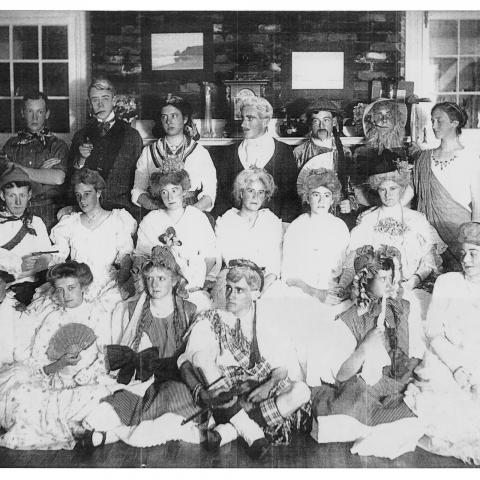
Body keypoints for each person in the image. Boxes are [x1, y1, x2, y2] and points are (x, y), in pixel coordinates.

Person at [177, 259, 311, 459]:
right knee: (202, 357)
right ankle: (252, 434)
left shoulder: (269, 319)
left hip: (260, 389)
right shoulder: (212, 318)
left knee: (302, 391)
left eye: (239, 290)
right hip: (225, 390)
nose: (230, 296)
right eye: (229, 289)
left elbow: (282, 366)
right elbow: (186, 361)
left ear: (255, 294)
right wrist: (205, 393)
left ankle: (229, 431)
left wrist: (268, 385)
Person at [78, 246, 201, 449]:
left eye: (161, 278)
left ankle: (109, 436)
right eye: (150, 279)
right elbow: (123, 347)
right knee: (121, 402)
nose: (154, 284)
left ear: (174, 280)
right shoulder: (132, 309)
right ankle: (107, 430)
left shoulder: (189, 310)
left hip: (176, 375)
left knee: (172, 400)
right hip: (144, 376)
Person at [310, 245, 425, 459]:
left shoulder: (403, 308)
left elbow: (415, 352)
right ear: (366, 281)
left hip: (397, 383)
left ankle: (383, 427)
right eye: (382, 278)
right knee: (352, 411)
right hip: (363, 387)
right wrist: (365, 347)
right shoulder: (350, 319)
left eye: (391, 277)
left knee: (416, 416)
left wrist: (410, 379)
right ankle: (371, 428)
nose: (390, 284)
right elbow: (341, 375)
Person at [0, 262, 115, 450]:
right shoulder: (52, 318)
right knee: (24, 397)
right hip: (57, 383)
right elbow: (37, 360)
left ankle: (81, 426)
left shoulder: (98, 314)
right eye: (60, 290)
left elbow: (106, 356)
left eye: (71, 288)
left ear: (84, 287)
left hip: (90, 380)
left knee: (102, 396)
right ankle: (76, 428)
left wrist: (84, 376)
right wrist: (58, 364)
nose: (65, 295)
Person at [404, 222, 480, 465]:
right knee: (449, 411)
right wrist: (457, 367)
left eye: (474, 254)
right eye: (463, 253)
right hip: (446, 356)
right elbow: (434, 332)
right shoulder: (448, 282)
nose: (466, 260)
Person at [340, 158, 447, 318]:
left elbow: (428, 261)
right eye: (382, 189)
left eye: (393, 188)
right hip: (374, 290)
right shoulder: (367, 219)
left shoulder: (417, 219)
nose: (388, 194)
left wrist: (413, 282)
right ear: (377, 189)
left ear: (402, 188)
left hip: (412, 286)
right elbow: (354, 257)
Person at [50, 169, 137, 306]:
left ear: (98, 192)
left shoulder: (117, 219)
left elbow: (126, 255)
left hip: (107, 283)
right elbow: (58, 255)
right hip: (75, 282)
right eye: (78, 195)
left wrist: (123, 280)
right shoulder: (70, 222)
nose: (82, 200)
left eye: (87, 194)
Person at [135, 170, 218, 310]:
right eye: (164, 192)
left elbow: (210, 257)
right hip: (160, 288)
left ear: (184, 191)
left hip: (193, 286)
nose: (170, 197)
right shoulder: (150, 220)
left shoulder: (198, 217)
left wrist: (193, 281)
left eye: (175, 190)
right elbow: (142, 257)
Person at [413, 102, 480, 271]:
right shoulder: (424, 158)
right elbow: (409, 193)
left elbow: (477, 202)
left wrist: (473, 239)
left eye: (439, 120)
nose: (434, 125)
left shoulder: (470, 158)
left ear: (454, 123)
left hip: (460, 233)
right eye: (432, 120)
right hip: (429, 234)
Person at [213, 96, 300, 222]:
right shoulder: (228, 153)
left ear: (266, 121)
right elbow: (221, 197)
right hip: (235, 225)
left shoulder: (284, 152)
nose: (243, 124)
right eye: (242, 118)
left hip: (272, 226)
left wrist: (285, 225)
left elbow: (291, 198)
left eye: (250, 118)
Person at [67, 77, 143, 218]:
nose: (100, 104)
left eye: (105, 98)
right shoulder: (81, 135)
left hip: (122, 209)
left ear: (114, 100)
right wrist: (81, 160)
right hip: (86, 209)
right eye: (95, 100)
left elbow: (139, 181)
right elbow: (70, 180)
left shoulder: (132, 136)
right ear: (90, 103)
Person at [131, 95, 216, 214]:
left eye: (174, 116)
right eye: (164, 117)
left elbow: (210, 192)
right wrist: (158, 210)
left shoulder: (200, 152)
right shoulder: (148, 152)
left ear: (185, 119)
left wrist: (190, 213)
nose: (168, 121)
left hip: (191, 213)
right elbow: (138, 191)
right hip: (158, 211)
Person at [1, 91, 68, 230]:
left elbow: (57, 178)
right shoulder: (11, 145)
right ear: (22, 113)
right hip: (16, 212)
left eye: (40, 112)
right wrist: (42, 174)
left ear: (47, 114)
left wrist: (17, 167)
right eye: (30, 111)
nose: (35, 117)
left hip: (49, 213)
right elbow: (7, 182)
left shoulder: (57, 145)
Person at [282, 168, 350, 304]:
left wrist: (341, 289)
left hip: (333, 292)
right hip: (303, 292)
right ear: (307, 198)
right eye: (315, 194)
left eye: (326, 195)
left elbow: (347, 268)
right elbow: (288, 276)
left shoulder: (340, 226)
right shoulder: (297, 226)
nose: (321, 201)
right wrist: (316, 293)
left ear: (333, 200)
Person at [215, 168, 282, 299]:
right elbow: (229, 259)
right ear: (241, 193)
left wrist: (262, 288)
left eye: (261, 192)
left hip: (267, 283)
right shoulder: (226, 221)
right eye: (250, 191)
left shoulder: (271, 221)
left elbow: (275, 264)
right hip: (234, 280)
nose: (255, 197)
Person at [294, 101, 356, 226]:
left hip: (338, 214)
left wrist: (350, 202)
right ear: (310, 124)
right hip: (309, 215)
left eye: (326, 120)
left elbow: (351, 185)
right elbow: (294, 191)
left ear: (333, 122)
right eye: (316, 121)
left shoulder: (345, 152)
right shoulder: (299, 152)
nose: (321, 125)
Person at [0, 164, 54, 305]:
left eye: (22, 195)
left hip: (34, 287)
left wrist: (43, 260)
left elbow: (47, 255)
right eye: (12, 195)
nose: (18, 202)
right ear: (2, 195)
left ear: (29, 195)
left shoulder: (36, 222)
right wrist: (19, 264)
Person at [353, 99, 414, 208]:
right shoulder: (362, 153)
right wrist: (380, 209)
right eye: (379, 115)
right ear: (372, 120)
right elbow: (358, 190)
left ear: (396, 119)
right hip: (373, 211)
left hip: (403, 211)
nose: (384, 120)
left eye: (389, 114)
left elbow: (413, 187)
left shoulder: (409, 152)